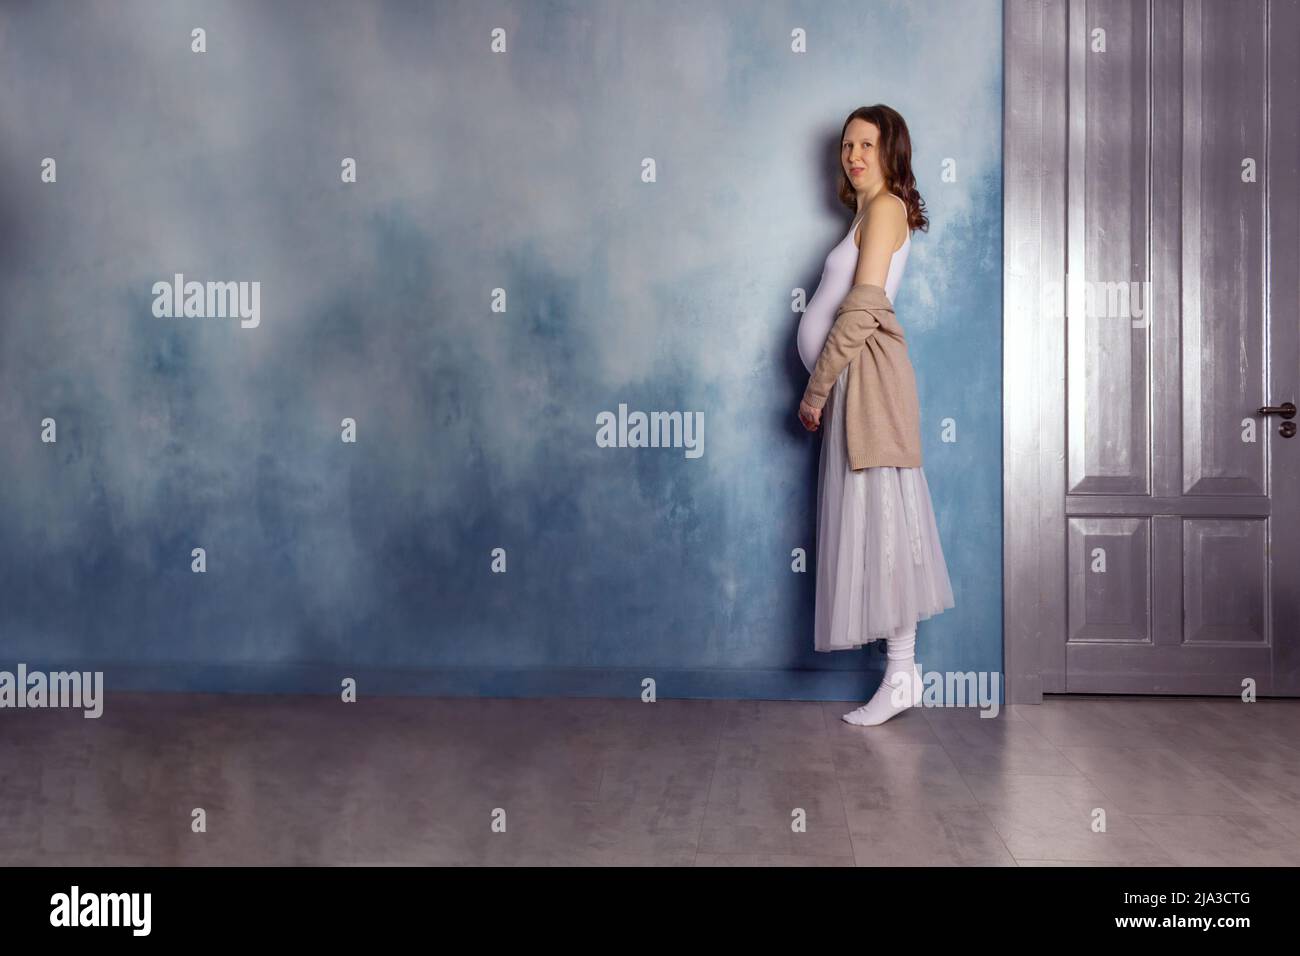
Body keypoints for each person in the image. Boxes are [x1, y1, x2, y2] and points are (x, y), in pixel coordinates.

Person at [796, 105, 955, 726]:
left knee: (887, 526)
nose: (854, 155)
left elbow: (862, 311)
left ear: (892, 152)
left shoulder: (886, 208)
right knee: (877, 524)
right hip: (851, 389)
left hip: (865, 390)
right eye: (846, 145)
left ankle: (900, 675)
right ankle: (902, 675)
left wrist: (814, 391)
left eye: (867, 144)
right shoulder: (867, 213)